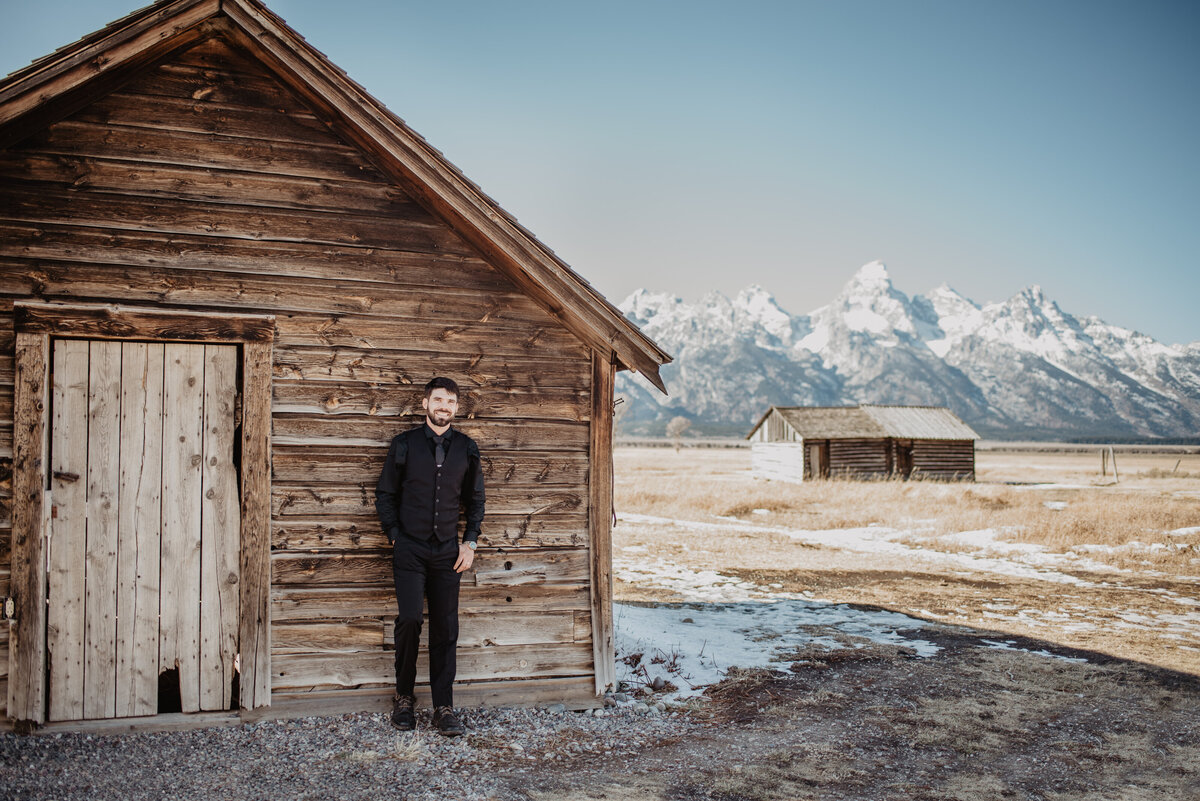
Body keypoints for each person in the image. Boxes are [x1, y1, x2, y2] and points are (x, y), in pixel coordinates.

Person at [375, 377, 485, 736]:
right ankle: (404, 699)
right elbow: (385, 494)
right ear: (425, 404)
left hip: (448, 553)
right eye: (438, 399)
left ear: (456, 408)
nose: (444, 406)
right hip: (409, 548)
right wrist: (395, 537)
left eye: (451, 401)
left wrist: (469, 543)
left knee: (445, 627)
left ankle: (443, 706)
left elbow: (476, 501)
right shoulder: (404, 444)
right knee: (409, 621)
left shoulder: (467, 448)